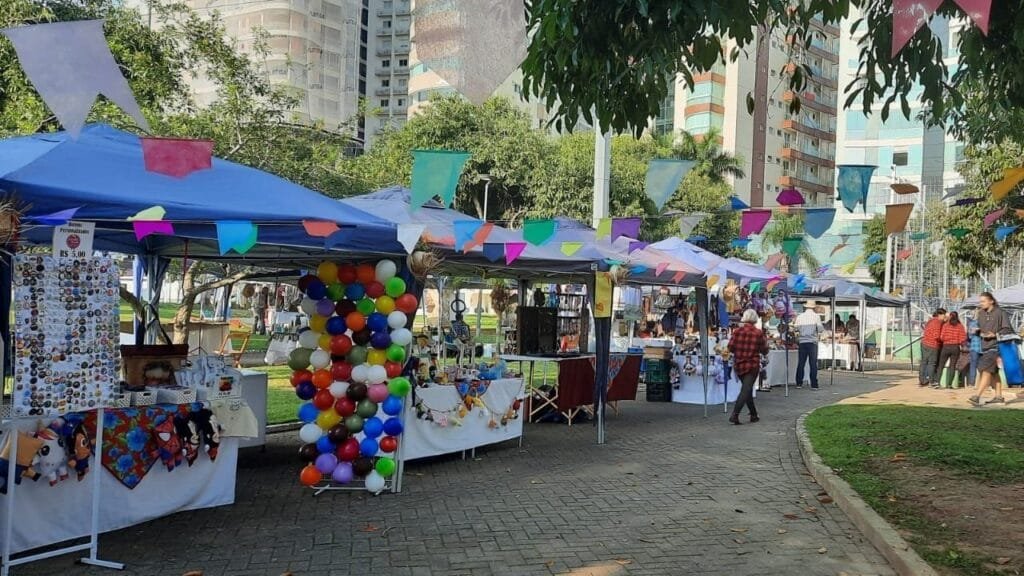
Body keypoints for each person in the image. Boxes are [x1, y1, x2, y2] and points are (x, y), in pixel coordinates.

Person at [970, 292, 1014, 406]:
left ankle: (977, 396)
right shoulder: (981, 314)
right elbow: (981, 329)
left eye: (983, 301)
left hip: (997, 346)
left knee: (986, 370)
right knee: (993, 372)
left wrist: (995, 334)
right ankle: (998, 397)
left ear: (991, 301)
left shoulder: (1001, 313)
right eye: (980, 301)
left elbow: (1007, 329)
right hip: (985, 346)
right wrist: (977, 331)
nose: (981, 303)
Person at [728, 309, 767, 424]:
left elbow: (730, 347)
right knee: (746, 390)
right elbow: (765, 350)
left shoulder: (737, 331)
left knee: (747, 389)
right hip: (752, 364)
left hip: (739, 364)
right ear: (755, 319)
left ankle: (754, 414)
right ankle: (735, 414)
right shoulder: (758, 333)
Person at [794, 300, 824, 389]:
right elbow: (820, 329)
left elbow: (796, 328)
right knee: (813, 364)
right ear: (813, 307)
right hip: (812, 342)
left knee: (801, 363)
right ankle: (814, 384)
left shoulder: (800, 316)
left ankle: (799, 383)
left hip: (802, 341)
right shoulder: (816, 317)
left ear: (805, 307)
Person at [935, 311, 967, 389]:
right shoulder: (960, 326)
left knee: (941, 365)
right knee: (952, 366)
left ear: (950, 317)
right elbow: (963, 338)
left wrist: (947, 340)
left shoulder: (946, 325)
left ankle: (938, 383)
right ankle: (949, 384)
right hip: (955, 347)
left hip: (946, 346)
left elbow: (942, 337)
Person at [920, 308, 946, 387]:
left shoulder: (930, 321)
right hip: (933, 345)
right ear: (940, 315)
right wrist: (943, 339)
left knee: (924, 362)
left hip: (924, 343)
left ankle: (922, 380)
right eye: (944, 315)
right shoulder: (938, 322)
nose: (944, 317)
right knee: (932, 363)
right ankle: (931, 381)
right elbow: (936, 335)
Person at [963, 313, 982, 388]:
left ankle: (972, 383)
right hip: (984, 347)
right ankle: (984, 383)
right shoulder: (985, 324)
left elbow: (970, 336)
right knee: (984, 367)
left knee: (973, 366)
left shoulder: (972, 324)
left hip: (974, 347)